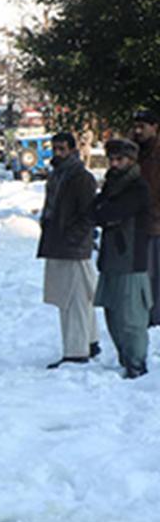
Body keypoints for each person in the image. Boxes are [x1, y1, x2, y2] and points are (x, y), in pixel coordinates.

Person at [37, 132, 101, 369]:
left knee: (72, 300)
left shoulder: (80, 177)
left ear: (73, 150)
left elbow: (87, 214)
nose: (58, 153)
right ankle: (91, 341)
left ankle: (76, 351)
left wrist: (72, 238)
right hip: (62, 244)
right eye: (55, 148)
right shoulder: (59, 174)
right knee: (83, 296)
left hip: (71, 246)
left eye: (63, 149)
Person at [93, 139, 153, 378]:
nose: (115, 164)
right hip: (110, 259)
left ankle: (137, 364)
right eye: (112, 159)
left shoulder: (138, 187)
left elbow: (111, 212)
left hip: (131, 260)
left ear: (131, 161)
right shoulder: (111, 184)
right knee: (113, 315)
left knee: (132, 318)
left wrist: (104, 213)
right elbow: (95, 211)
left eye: (120, 159)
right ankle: (126, 360)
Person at [129, 109, 160, 326]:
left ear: (155, 127)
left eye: (143, 126)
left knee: (154, 275)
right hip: (135, 224)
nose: (138, 131)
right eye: (136, 126)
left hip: (155, 224)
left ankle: (154, 319)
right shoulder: (133, 152)